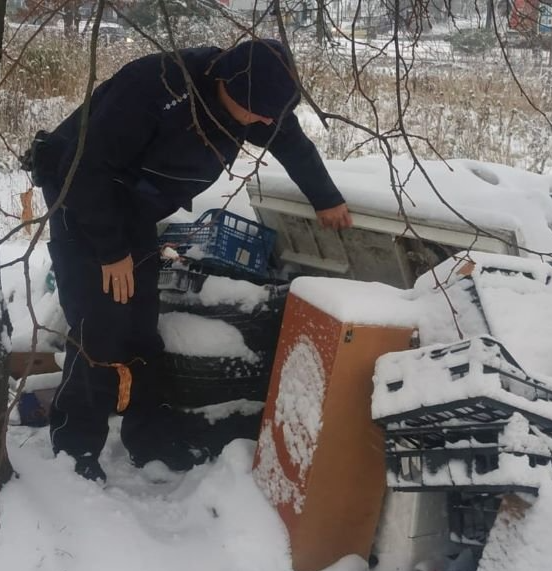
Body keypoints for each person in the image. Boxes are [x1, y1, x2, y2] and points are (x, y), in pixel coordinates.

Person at [27, 39, 352, 482]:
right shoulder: (153, 88)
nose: (266, 122)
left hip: (134, 204)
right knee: (98, 325)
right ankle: (75, 450)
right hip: (81, 198)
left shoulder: (256, 94)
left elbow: (290, 143)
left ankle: (150, 439)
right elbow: (88, 170)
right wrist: (112, 251)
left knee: (140, 323)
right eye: (258, 112)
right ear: (224, 86)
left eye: (272, 113)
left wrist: (326, 199)